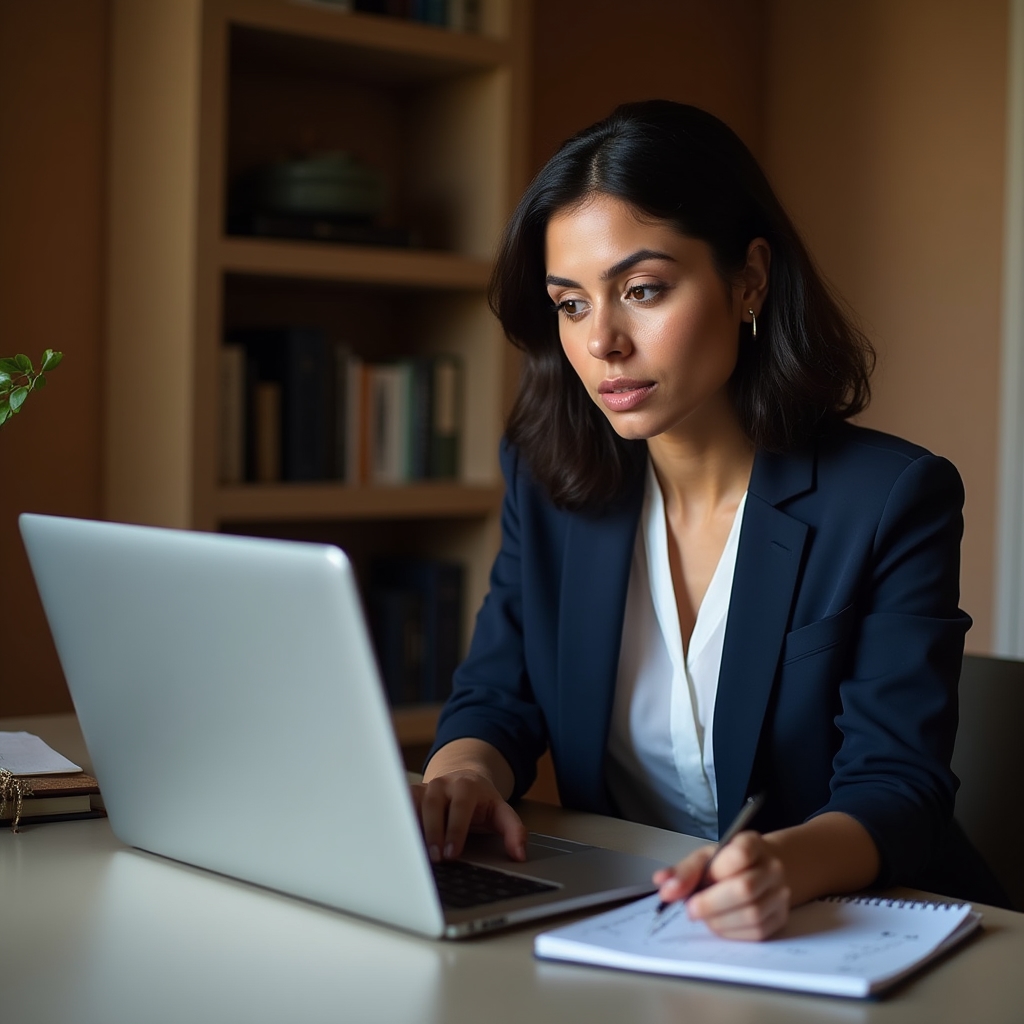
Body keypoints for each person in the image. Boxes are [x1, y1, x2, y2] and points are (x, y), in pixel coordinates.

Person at [412, 100, 1006, 939]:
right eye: (571, 304)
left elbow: (898, 787)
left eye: (642, 291)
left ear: (750, 279)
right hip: (640, 921)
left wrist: (781, 868)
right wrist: (463, 776)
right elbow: (496, 696)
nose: (603, 342)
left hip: (858, 928)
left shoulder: (890, 498)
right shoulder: (546, 481)